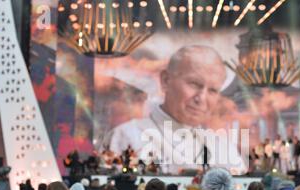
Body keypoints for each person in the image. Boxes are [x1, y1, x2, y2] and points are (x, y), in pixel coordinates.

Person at [104, 45, 247, 175]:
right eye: (194, 84)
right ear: (165, 80)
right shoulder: (127, 136)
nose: (201, 98)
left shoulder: (222, 146)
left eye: (212, 90)